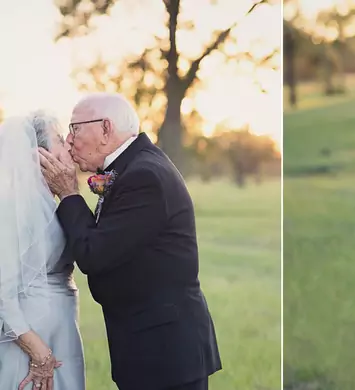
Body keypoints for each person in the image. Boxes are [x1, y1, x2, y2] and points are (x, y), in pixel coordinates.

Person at [38, 93, 222, 390]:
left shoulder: (143, 176)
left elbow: (93, 253)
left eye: (75, 128)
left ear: (105, 129)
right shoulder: (132, 166)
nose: (70, 141)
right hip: (151, 347)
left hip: (164, 353)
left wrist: (69, 193)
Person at [0, 111, 85, 390]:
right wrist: (37, 351)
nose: (69, 144)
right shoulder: (16, 210)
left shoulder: (52, 201)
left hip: (63, 330)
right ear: (39, 154)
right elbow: (3, 291)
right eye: (60, 139)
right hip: (33, 338)